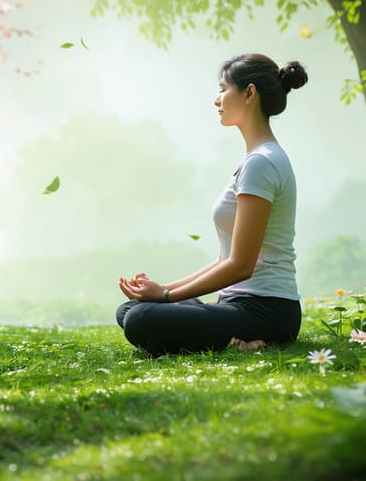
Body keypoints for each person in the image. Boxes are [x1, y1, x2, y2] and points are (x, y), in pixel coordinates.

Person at [116, 54, 308, 356]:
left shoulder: (263, 163)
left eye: (223, 89)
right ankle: (230, 337)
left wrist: (166, 297)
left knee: (142, 319)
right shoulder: (254, 160)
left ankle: (254, 341)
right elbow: (225, 258)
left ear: (249, 93)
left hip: (267, 310)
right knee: (131, 309)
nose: (216, 100)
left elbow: (241, 265)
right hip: (236, 304)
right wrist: (163, 290)